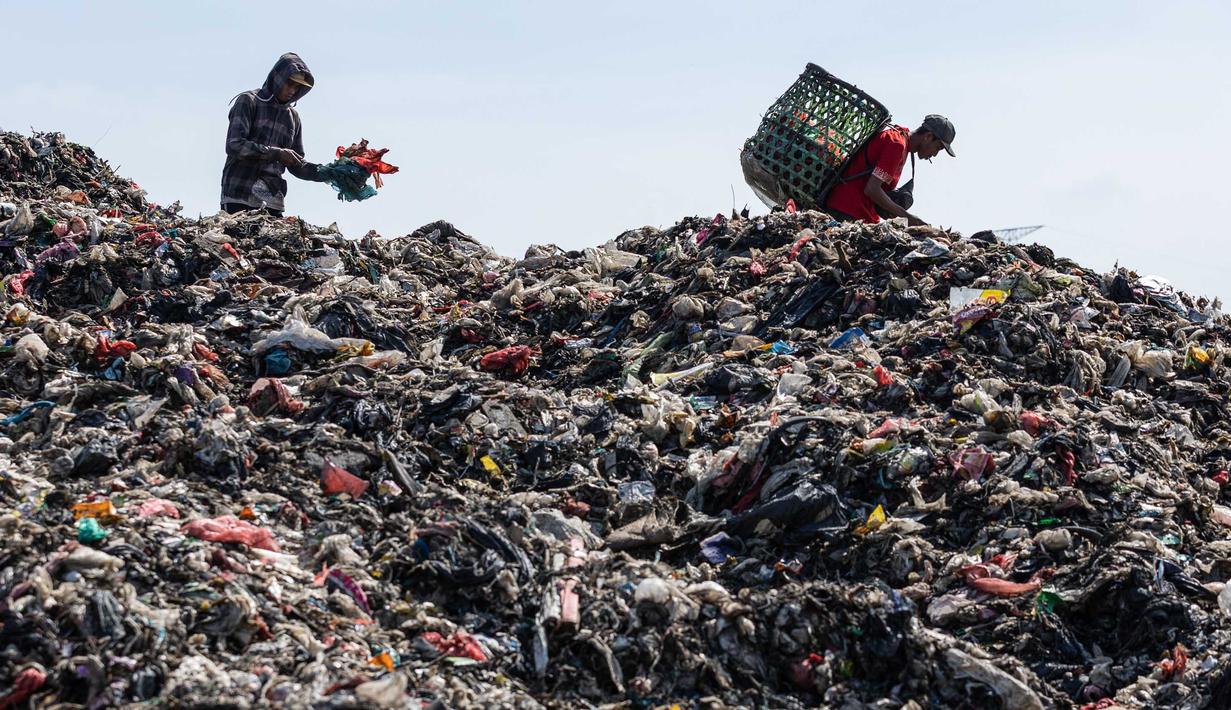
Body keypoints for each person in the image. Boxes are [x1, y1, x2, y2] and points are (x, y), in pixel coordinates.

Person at [220, 52, 327, 217]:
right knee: (240, 240)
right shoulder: (249, 101)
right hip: (240, 194)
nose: (292, 90)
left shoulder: (293, 117)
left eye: (297, 86)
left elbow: (297, 164)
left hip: (272, 200)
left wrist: (330, 173)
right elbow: (234, 145)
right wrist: (276, 153)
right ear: (278, 78)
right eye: (289, 83)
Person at [824, 114, 956, 227]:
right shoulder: (897, 145)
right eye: (938, 148)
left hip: (859, 213)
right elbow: (871, 189)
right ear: (927, 136)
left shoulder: (901, 140)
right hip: (848, 211)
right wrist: (908, 217)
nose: (935, 154)